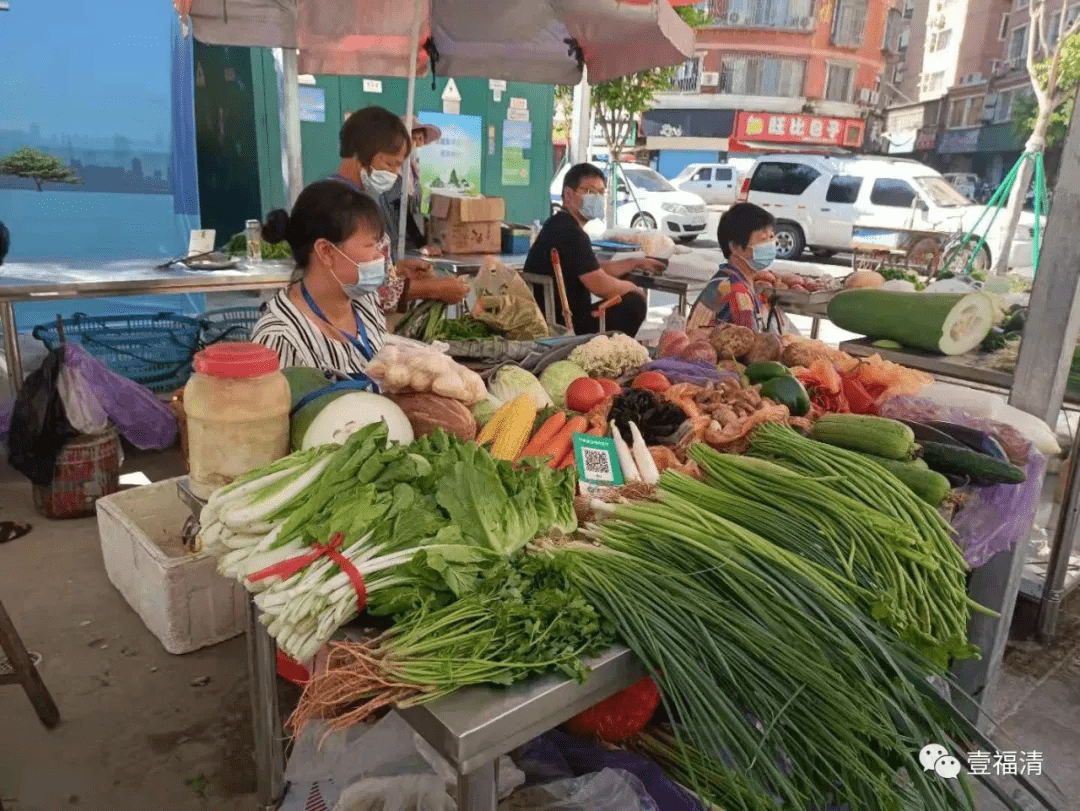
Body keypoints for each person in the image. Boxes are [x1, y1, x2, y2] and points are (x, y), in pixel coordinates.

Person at [251, 179, 393, 376]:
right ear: (326, 251)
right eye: (370, 246)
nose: (380, 256)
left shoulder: (365, 302)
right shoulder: (280, 339)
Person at [335, 106, 468, 305]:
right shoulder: (342, 207)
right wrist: (434, 289)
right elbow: (368, 289)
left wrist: (396, 269)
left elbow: (370, 272)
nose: (395, 172)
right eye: (389, 163)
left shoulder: (360, 198)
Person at [524, 163, 665, 335]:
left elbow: (592, 268)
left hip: (554, 316)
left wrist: (635, 262)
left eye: (601, 193)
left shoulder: (558, 224)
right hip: (564, 325)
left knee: (625, 292)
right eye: (590, 192)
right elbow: (600, 284)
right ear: (568, 195)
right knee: (634, 303)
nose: (597, 198)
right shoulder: (570, 232)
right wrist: (633, 288)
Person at [686, 202, 786, 334]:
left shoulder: (727, 277)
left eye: (772, 237)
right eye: (763, 238)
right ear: (736, 247)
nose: (770, 244)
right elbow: (753, 346)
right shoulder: (736, 290)